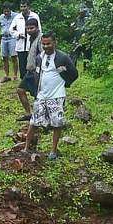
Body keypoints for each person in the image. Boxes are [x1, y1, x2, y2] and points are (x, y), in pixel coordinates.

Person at [24, 33, 79, 161]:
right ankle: (26, 147)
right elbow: (36, 75)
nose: (46, 46)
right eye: (44, 44)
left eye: (48, 43)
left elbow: (74, 73)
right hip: (42, 95)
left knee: (56, 123)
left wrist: (66, 83)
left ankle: (53, 150)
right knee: (34, 121)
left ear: (54, 42)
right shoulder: (39, 57)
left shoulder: (62, 57)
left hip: (57, 95)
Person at [15, 18, 43, 122]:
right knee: (20, 90)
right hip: (30, 71)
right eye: (27, 28)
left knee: (38, 96)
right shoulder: (31, 38)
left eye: (31, 28)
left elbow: (42, 55)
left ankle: (40, 117)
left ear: (37, 28)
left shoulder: (41, 38)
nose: (29, 30)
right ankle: (28, 113)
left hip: (37, 72)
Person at [9, 0, 41, 87]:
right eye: (21, 6)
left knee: (32, 62)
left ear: (28, 6)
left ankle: (33, 80)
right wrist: (19, 34)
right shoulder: (17, 17)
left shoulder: (34, 16)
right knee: (22, 64)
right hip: (21, 44)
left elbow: (39, 29)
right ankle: (24, 82)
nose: (23, 8)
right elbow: (11, 30)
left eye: (24, 6)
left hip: (32, 44)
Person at [0, 2, 18, 83]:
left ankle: (15, 76)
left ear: (11, 10)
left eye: (8, 11)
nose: (6, 13)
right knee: (4, 57)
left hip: (12, 38)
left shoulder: (16, 16)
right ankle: (7, 75)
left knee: (14, 57)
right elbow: (0, 26)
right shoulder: (1, 17)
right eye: (5, 11)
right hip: (4, 38)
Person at [69, 3, 93, 69]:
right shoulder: (78, 18)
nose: (80, 12)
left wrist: (87, 34)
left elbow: (92, 28)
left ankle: (88, 69)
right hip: (78, 39)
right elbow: (76, 29)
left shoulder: (89, 17)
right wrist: (73, 27)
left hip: (87, 39)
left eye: (81, 11)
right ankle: (72, 69)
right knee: (73, 53)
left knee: (87, 55)